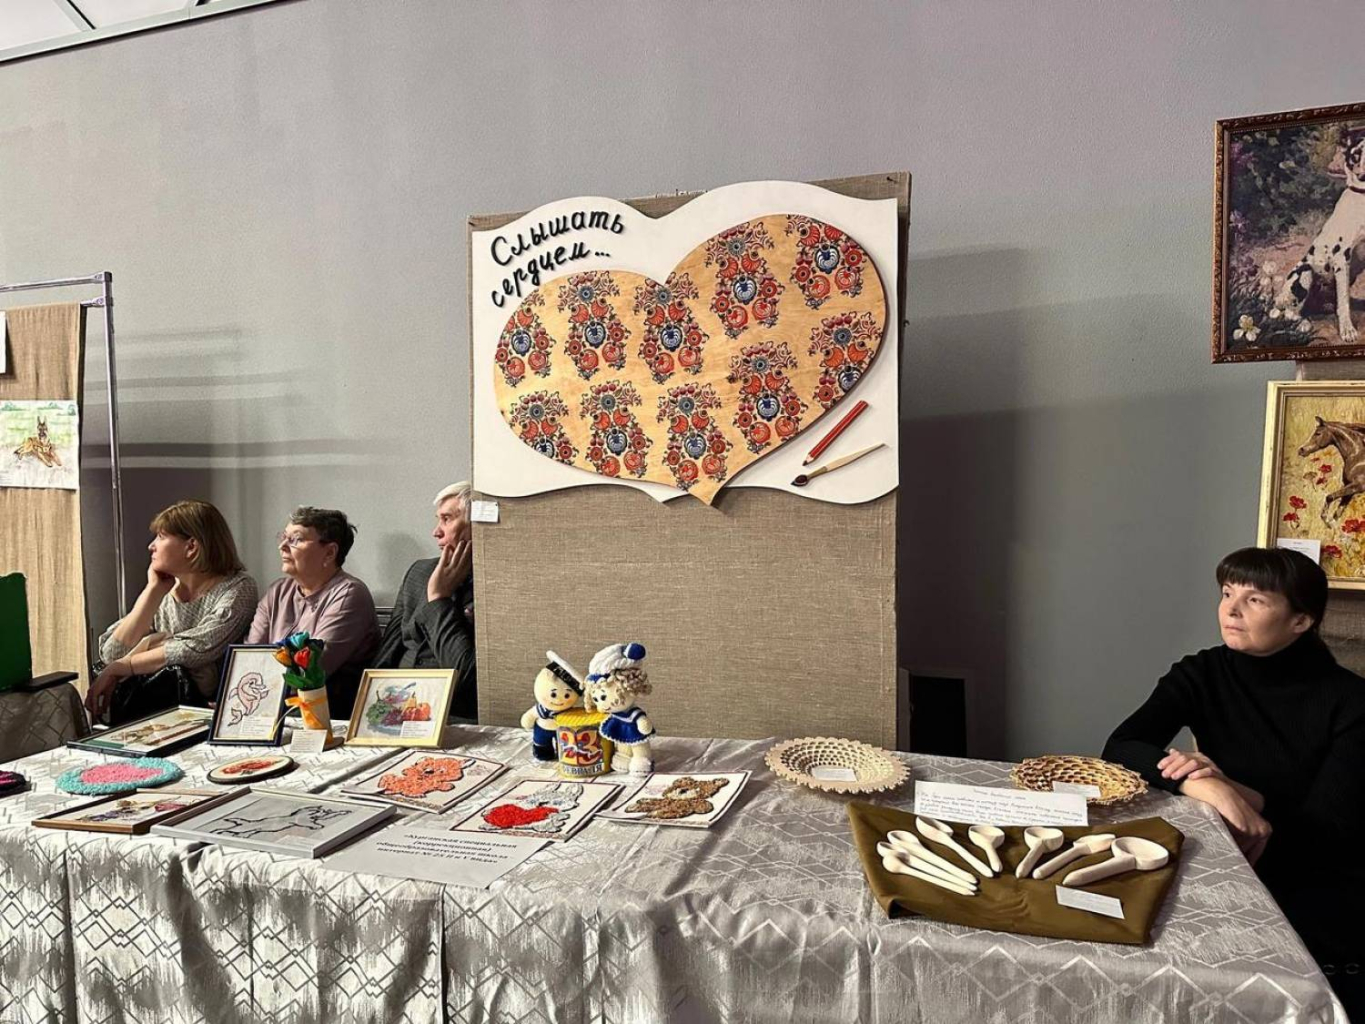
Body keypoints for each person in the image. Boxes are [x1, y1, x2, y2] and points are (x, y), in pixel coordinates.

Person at [1104, 547, 1365, 1018]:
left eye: (1255, 600)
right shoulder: (1203, 672)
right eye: (1227, 593)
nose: (1231, 609)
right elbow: (1121, 747)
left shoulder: (1352, 701)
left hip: (1318, 879)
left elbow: (1328, 833)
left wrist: (1246, 796)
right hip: (1231, 853)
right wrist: (1203, 786)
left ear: (1301, 621)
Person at [89, 499, 258, 723]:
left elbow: (195, 649)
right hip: (153, 715)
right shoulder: (164, 592)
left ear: (191, 546)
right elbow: (112, 653)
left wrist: (125, 665)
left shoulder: (238, 588)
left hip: (209, 715)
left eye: (161, 536)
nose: (151, 546)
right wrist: (153, 591)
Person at [246, 506, 380, 717]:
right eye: (283, 537)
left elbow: (310, 671)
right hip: (270, 705)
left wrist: (252, 691)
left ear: (329, 552)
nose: (282, 546)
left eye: (296, 539)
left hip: (326, 714)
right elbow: (250, 656)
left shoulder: (349, 594)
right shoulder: (277, 591)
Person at [374, 482, 476, 719]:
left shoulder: (496, 587)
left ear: (476, 525)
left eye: (447, 519)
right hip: (396, 708)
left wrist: (438, 598)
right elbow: (387, 653)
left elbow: (467, 678)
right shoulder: (419, 572)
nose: (436, 532)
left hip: (453, 713)